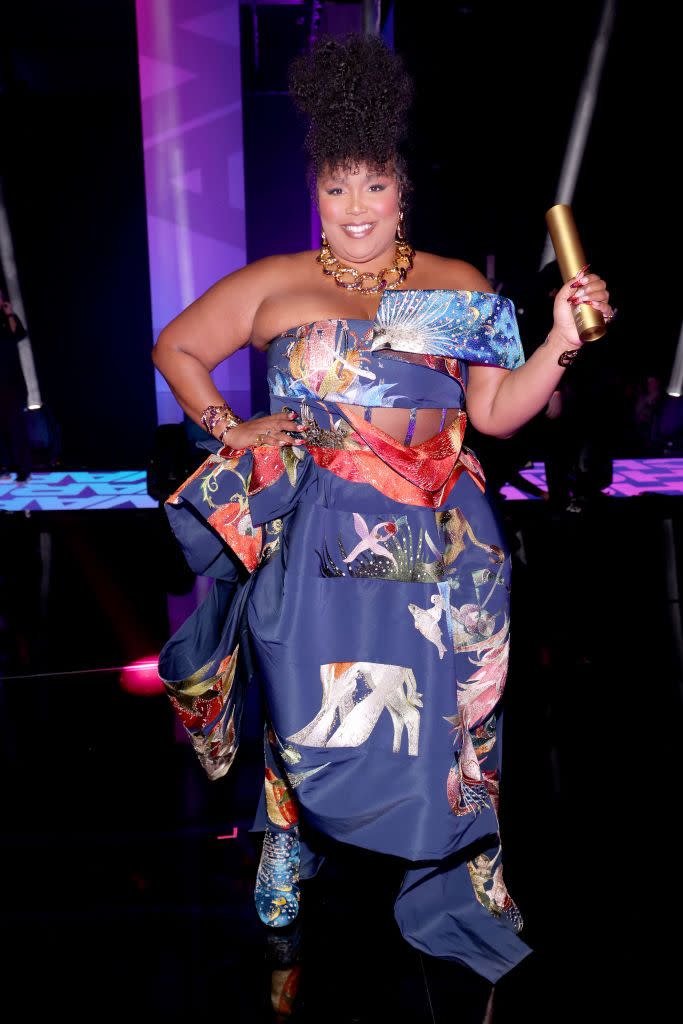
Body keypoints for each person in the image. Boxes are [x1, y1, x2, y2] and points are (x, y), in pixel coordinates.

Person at [151, 32, 615, 1015]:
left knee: (456, 720)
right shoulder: (278, 283)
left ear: (400, 190)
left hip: (442, 542)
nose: (354, 210)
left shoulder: (451, 286)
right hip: (319, 541)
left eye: (371, 188)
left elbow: (493, 412)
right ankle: (288, 841)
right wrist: (238, 430)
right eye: (335, 191)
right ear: (313, 195)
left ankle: (469, 870)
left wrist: (561, 346)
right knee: (310, 713)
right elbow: (178, 346)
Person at [0, 286, 32, 481]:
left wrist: (10, 314)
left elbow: (19, 334)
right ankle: (2, 467)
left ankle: (22, 470)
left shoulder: (8, 318)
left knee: (16, 428)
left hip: (12, 384)